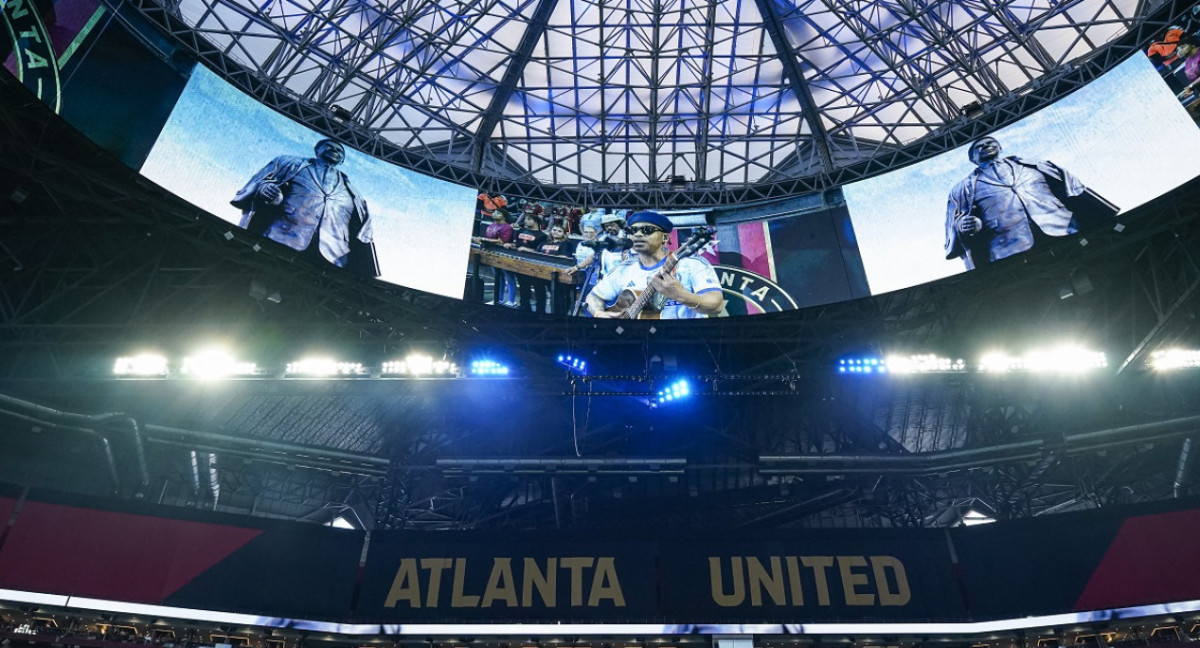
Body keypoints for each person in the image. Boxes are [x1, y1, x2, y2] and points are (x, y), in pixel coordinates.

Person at [945, 137, 1118, 270]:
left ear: (1000, 147)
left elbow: (1072, 190)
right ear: (972, 159)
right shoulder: (962, 189)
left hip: (1064, 229)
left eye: (990, 142)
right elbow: (955, 222)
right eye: (979, 147)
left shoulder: (1036, 165)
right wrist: (964, 225)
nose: (986, 146)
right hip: (1008, 248)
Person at [232, 139, 379, 276]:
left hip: (332, 256)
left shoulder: (352, 190)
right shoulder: (289, 163)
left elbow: (362, 227)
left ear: (342, 161)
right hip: (282, 239)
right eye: (329, 146)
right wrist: (267, 191)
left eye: (339, 150)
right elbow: (261, 183)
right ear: (317, 150)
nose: (334, 150)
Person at [585, 211, 724, 319]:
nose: (638, 235)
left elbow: (716, 304)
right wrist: (598, 314)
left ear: (665, 238)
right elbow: (593, 297)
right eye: (632, 231)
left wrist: (682, 295)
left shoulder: (692, 265)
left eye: (646, 230)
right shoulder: (624, 269)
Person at [472, 206, 517, 307]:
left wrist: (483, 239)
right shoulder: (491, 226)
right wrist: (481, 241)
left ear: (503, 217)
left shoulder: (507, 227)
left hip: (504, 254)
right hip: (492, 253)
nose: (494, 213)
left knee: (509, 277)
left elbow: (502, 241)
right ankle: (498, 299)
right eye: (494, 212)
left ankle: (511, 300)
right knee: (498, 277)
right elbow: (488, 239)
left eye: (498, 213)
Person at [506, 214, 549, 312]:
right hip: (520, 263)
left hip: (536, 266)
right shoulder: (521, 231)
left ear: (536, 221)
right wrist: (511, 245)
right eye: (525, 219)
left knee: (539, 288)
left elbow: (541, 252)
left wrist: (528, 249)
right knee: (523, 287)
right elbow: (516, 244)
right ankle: (525, 307)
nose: (526, 221)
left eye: (529, 219)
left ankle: (540, 310)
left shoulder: (542, 235)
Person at [535, 224, 579, 314]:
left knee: (558, 296)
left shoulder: (566, 243)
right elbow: (537, 253)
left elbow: (564, 257)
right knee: (540, 292)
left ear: (564, 234)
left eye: (559, 231)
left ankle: (559, 315)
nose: (556, 232)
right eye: (554, 230)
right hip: (542, 271)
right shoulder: (545, 242)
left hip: (558, 273)